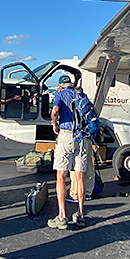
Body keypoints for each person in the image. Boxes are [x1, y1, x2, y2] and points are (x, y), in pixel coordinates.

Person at [48, 74, 89, 230]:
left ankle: (62, 216)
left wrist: (54, 124)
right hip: (81, 137)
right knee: (79, 176)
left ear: (60, 85)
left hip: (66, 135)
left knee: (61, 175)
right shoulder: (81, 94)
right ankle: (80, 214)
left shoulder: (59, 95)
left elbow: (55, 111)